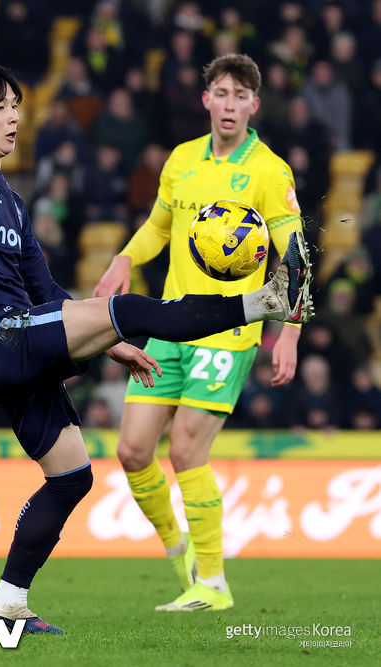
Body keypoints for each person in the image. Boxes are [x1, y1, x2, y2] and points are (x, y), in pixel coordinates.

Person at [0, 61, 313, 634]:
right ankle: (264, 302)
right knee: (130, 308)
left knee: (71, 476)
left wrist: (110, 344)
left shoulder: (10, 198)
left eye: (16, 106)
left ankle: (7, 603)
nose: (13, 117)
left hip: (22, 343)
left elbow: (46, 291)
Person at [94, 53, 309, 612]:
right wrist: (123, 258)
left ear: (254, 105)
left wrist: (289, 333)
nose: (230, 104)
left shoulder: (269, 171)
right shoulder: (182, 159)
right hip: (171, 325)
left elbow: (295, 254)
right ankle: (180, 552)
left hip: (229, 332)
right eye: (222, 93)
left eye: (241, 95)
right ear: (206, 99)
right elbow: (159, 227)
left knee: (187, 450)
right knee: (133, 451)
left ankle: (212, 583)